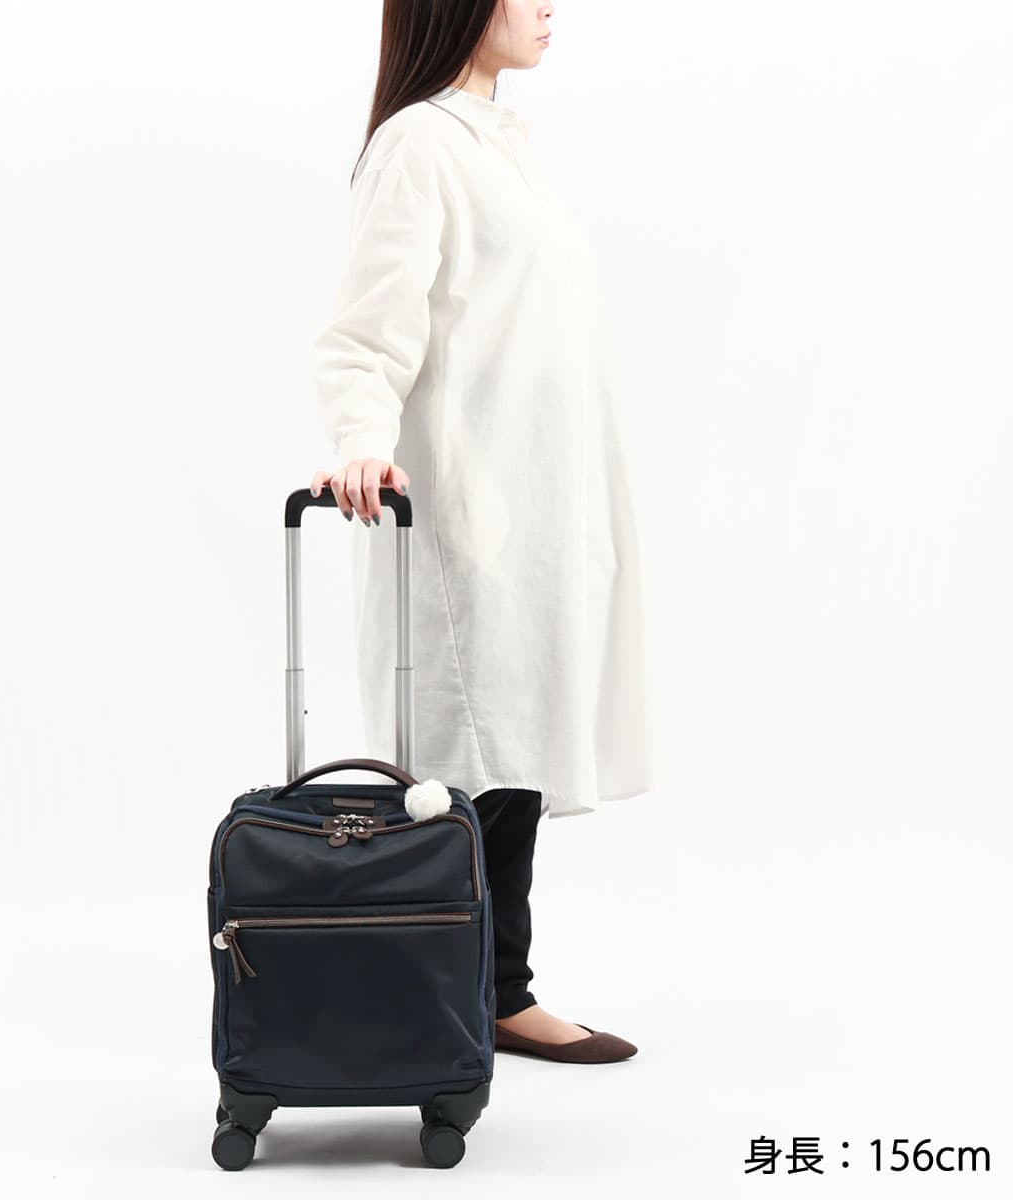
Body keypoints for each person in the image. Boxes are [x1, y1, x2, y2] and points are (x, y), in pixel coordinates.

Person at [309, 1, 652, 1063]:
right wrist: (361, 440)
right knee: (472, 764)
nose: (551, 6)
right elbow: (367, 329)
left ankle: (486, 991)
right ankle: (475, 996)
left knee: (515, 761)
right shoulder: (419, 144)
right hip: (472, 510)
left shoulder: (502, 145)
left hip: (538, 502)